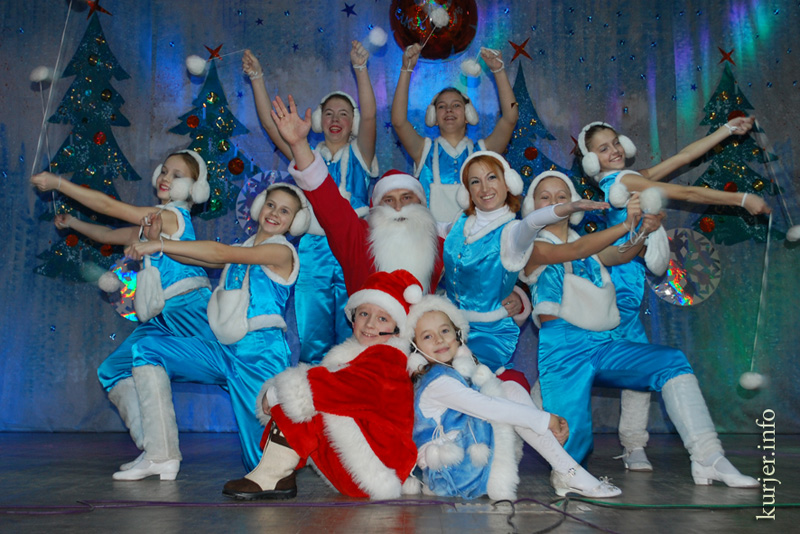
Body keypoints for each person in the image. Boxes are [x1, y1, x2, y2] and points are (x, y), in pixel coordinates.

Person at [522, 171, 759, 488]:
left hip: (603, 343)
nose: (555, 202)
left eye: (561, 196)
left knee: (672, 362)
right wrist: (625, 225)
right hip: (563, 349)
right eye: (545, 197)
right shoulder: (531, 246)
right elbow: (574, 251)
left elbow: (615, 253)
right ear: (533, 206)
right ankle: (560, 467)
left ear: (574, 202)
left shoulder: (586, 245)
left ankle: (708, 458)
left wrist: (641, 232)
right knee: (572, 453)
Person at [577, 118, 771, 471]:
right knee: (574, 360)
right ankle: (538, 421)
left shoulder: (630, 178)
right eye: (603, 149)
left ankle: (633, 445)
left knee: (637, 369)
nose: (614, 150)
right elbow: (689, 194)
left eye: (616, 142)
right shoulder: (623, 182)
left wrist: (728, 130)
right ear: (592, 161)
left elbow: (683, 157)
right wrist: (742, 199)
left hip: (629, 295)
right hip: (611, 294)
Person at [30, 150, 215, 476]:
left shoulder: (172, 217)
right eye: (164, 171)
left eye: (176, 175)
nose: (166, 178)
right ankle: (156, 449)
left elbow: (110, 208)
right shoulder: (151, 223)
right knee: (112, 370)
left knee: (230, 372)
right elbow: (106, 234)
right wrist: (73, 223)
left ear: (193, 189)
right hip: (163, 315)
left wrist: (59, 183)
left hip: (189, 309)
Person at [119, 183, 310, 479]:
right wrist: (158, 242)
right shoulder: (245, 248)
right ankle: (160, 455)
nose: (274, 213)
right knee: (147, 349)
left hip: (260, 355)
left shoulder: (281, 251)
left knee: (263, 465)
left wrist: (160, 245)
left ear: (295, 222)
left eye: (285, 211)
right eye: (271, 205)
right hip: (225, 349)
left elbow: (219, 252)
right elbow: (199, 258)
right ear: (260, 206)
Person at [222, 269, 422, 500]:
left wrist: (278, 392)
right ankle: (276, 474)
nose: (369, 324)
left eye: (382, 319)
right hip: (366, 464)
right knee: (306, 392)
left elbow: (339, 387)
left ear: (397, 330)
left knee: (309, 397)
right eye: (364, 313)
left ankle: (273, 476)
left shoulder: (388, 359)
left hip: (376, 468)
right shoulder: (361, 354)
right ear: (352, 317)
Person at [406, 294, 621, 499]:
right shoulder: (437, 382)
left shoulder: (454, 371)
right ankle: (569, 472)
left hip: (466, 464)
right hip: (453, 474)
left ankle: (567, 471)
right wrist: (545, 420)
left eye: (445, 330)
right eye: (427, 336)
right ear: (415, 347)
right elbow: (489, 407)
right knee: (508, 395)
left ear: (458, 334)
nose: (439, 340)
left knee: (509, 390)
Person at [242, 41, 378, 364]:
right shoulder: (306, 154)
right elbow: (272, 125)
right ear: (318, 120)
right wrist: (257, 78)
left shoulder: (362, 153)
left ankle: (355, 385)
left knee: (358, 331)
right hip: (313, 250)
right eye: (328, 113)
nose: (335, 119)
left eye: (344, 114)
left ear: (353, 122)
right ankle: (314, 387)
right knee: (311, 332)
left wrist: (360, 69)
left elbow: (371, 115)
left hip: (354, 248)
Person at [440, 151, 607, 384]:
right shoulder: (459, 222)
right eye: (475, 181)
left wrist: (567, 208)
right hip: (447, 326)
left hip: (488, 334)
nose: (484, 188)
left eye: (492, 178)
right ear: (467, 190)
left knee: (460, 378)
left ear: (508, 183)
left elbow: (532, 222)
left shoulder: (513, 232)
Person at [392, 43, 518, 222]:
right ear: (434, 117)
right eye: (442, 106)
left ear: (467, 115)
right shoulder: (424, 150)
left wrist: (499, 71)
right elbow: (398, 122)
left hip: (474, 235)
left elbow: (510, 118)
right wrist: (406, 69)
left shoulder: (482, 152)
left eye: (456, 105)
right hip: (431, 236)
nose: (449, 110)